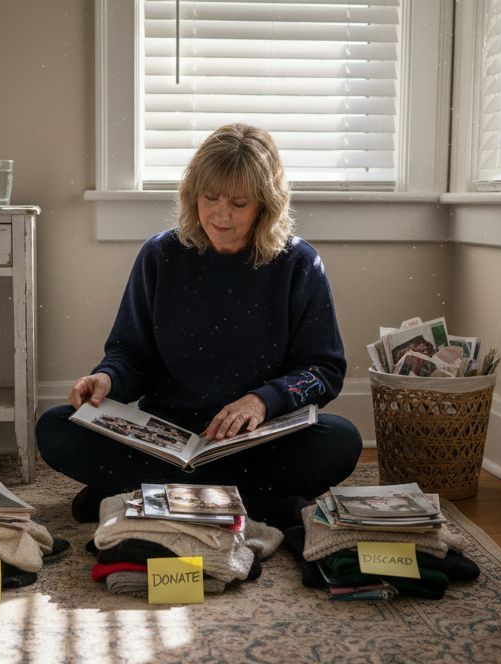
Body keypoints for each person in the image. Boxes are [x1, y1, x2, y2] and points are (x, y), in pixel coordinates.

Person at [36, 123, 362, 525]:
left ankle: (142, 495)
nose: (220, 214)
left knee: (341, 440)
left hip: (254, 442)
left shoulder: (299, 263)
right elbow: (131, 354)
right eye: (210, 197)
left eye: (239, 203)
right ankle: (254, 504)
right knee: (55, 427)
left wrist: (261, 401)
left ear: (265, 205)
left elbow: (323, 370)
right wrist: (106, 379)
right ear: (193, 195)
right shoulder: (160, 255)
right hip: (164, 439)